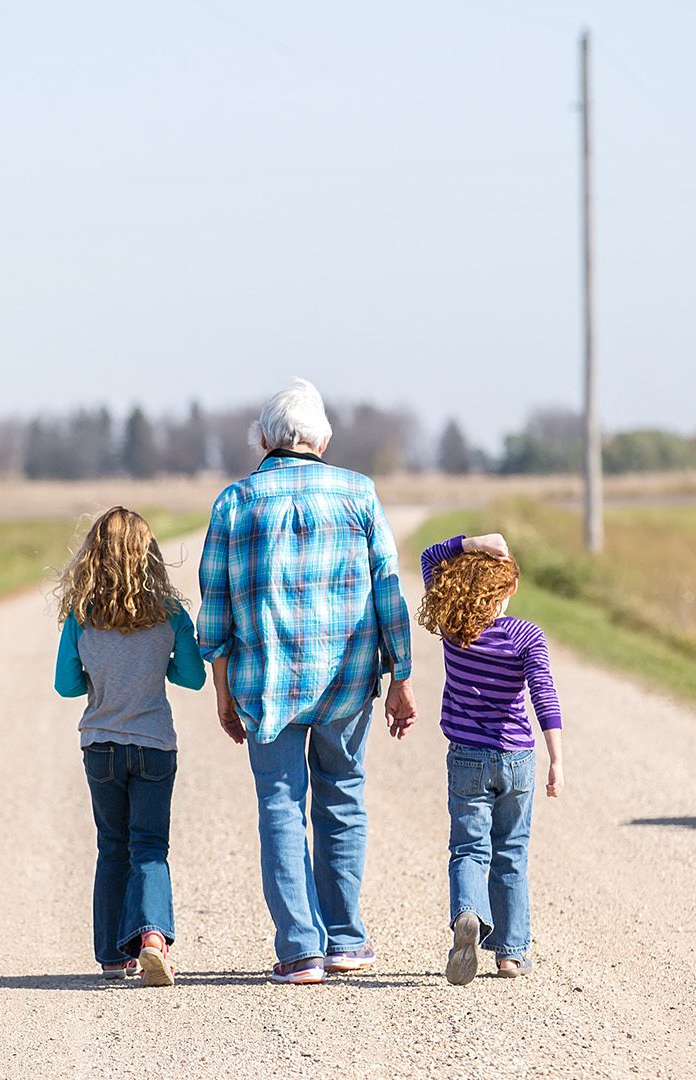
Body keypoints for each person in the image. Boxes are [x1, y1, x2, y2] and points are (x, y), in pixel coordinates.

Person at [197, 378, 415, 985]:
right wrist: (402, 675)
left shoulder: (235, 502)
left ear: (263, 437)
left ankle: (300, 950)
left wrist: (222, 691)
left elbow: (213, 611)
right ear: (321, 439)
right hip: (348, 682)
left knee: (280, 805)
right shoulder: (359, 494)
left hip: (265, 683)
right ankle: (345, 939)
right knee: (343, 799)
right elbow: (388, 594)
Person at [53, 507, 205, 986]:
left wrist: (103, 677)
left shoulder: (81, 616)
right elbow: (194, 677)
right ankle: (154, 938)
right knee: (150, 847)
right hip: (155, 745)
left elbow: (66, 685)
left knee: (111, 846)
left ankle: (112, 956)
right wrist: (159, 667)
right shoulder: (171, 613)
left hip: (100, 745)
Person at [416, 532, 564, 985]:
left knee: (468, 849)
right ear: (510, 589)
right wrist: (557, 758)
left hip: (467, 759)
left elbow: (429, 557)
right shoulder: (525, 635)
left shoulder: (453, 628)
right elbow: (543, 693)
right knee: (512, 853)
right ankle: (510, 955)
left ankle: (469, 915)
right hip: (516, 758)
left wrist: (473, 542)